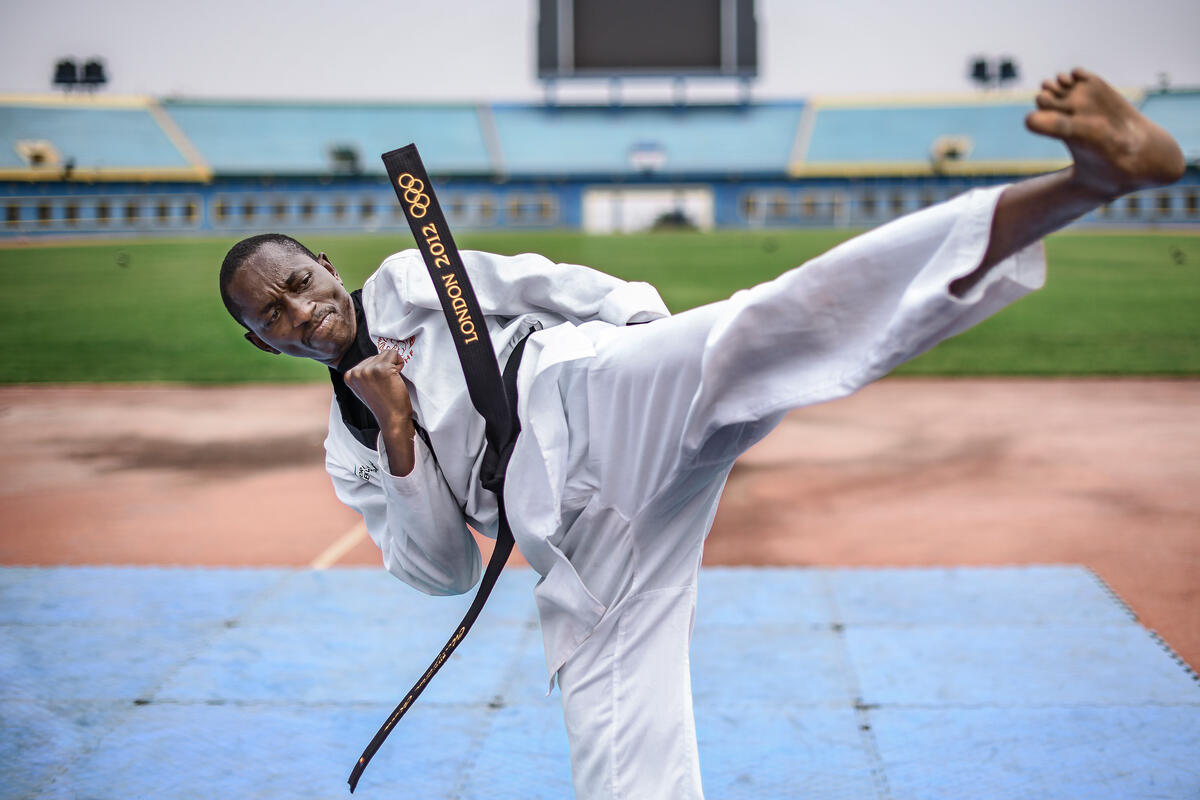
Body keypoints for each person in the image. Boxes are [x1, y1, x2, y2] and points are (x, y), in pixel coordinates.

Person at [218, 69, 1184, 800]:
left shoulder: (413, 274)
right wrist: (395, 432)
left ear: (323, 266)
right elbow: (441, 572)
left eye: (298, 283)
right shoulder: (348, 447)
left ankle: (1084, 184)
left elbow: (569, 287)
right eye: (274, 316)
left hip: (584, 397)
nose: (300, 311)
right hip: (574, 546)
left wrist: (654, 355)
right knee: (618, 758)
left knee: (767, 331)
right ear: (263, 344)